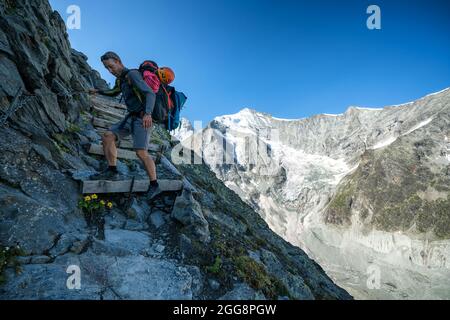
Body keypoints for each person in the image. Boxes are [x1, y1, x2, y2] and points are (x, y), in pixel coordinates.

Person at [89, 51, 161, 200]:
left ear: (118, 61)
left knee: (141, 152)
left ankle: (155, 185)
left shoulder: (133, 75)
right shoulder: (120, 80)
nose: (110, 70)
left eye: (111, 66)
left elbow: (150, 94)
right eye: (106, 68)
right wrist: (99, 91)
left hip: (143, 118)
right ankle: (112, 170)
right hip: (130, 117)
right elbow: (114, 92)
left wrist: (148, 113)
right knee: (108, 136)